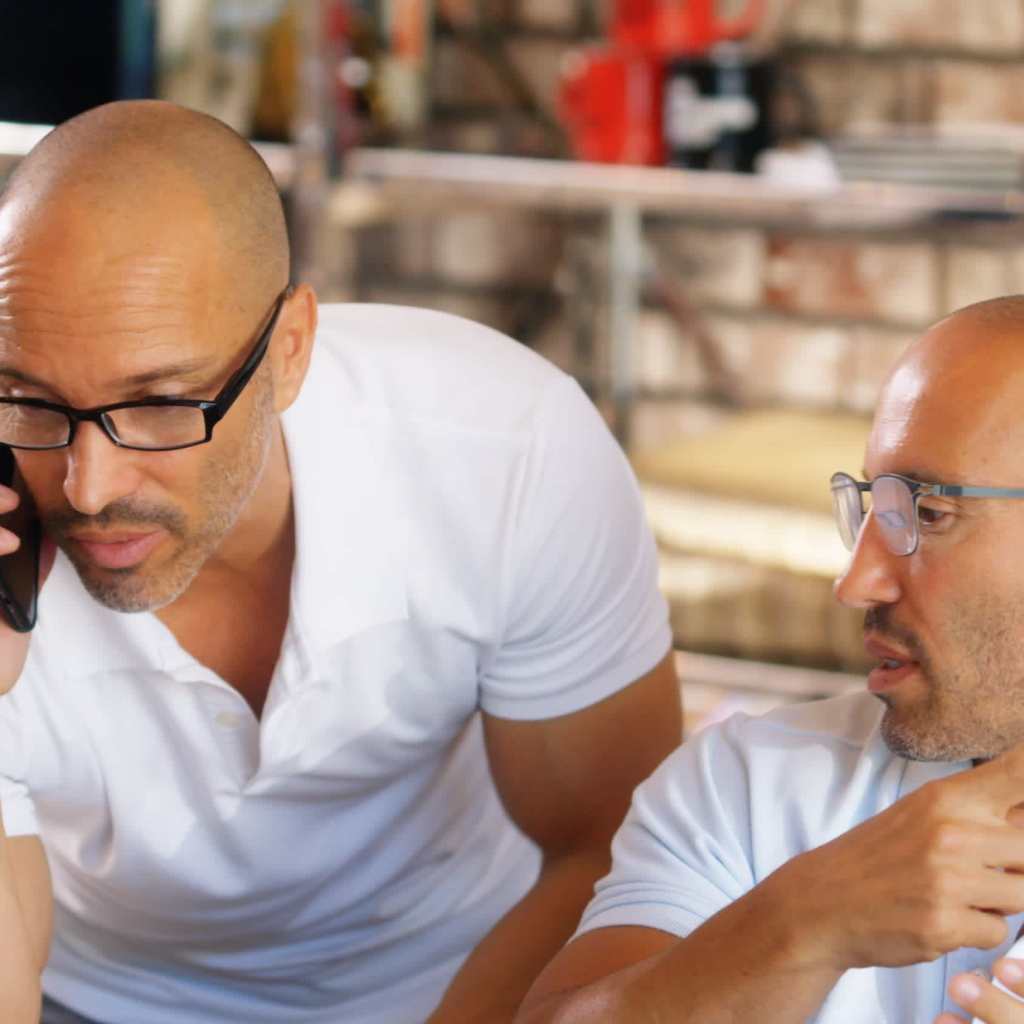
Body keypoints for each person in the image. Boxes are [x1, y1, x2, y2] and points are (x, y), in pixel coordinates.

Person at [0, 100, 681, 1024]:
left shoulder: (509, 452)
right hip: (85, 996)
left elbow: (612, 847)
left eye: (158, 405)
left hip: (457, 985)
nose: (88, 487)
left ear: (288, 353)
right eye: (29, 399)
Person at [516, 295, 1024, 1024]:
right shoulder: (751, 784)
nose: (856, 584)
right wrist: (805, 921)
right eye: (874, 509)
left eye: (928, 514)